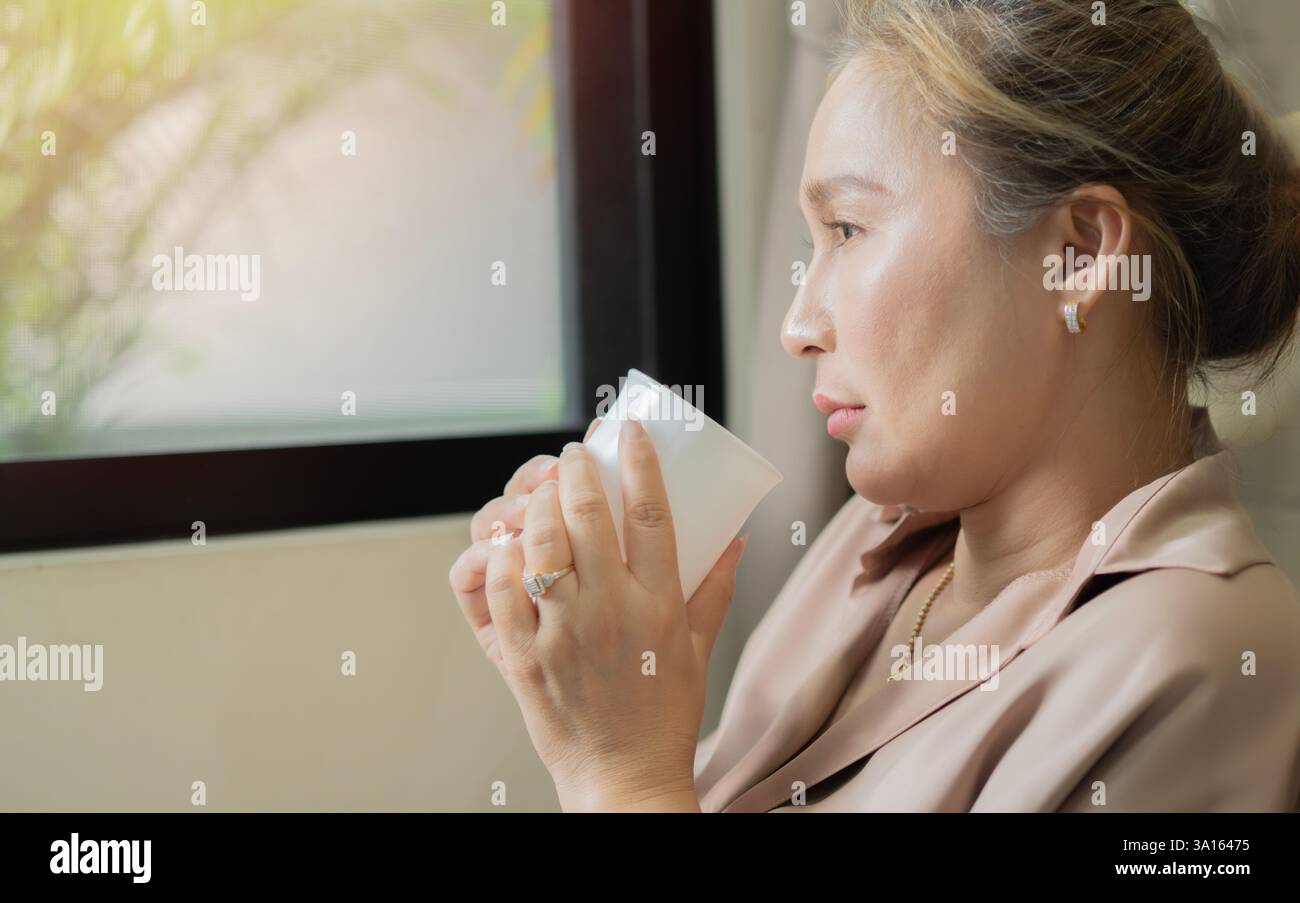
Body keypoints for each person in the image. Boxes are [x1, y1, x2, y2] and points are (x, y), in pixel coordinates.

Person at [449, 0, 1300, 811]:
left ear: (1078, 254)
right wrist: (608, 680)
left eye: (848, 230)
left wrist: (618, 770)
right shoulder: (870, 544)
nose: (797, 325)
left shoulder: (1214, 657)